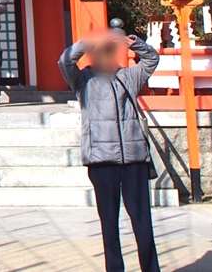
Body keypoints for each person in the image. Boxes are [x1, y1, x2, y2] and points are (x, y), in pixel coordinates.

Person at [59, 29, 161, 272]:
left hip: (133, 159)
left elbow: (152, 60)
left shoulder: (128, 77)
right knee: (109, 224)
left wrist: (133, 43)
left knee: (142, 222)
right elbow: (64, 60)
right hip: (101, 161)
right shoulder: (83, 80)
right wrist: (87, 42)